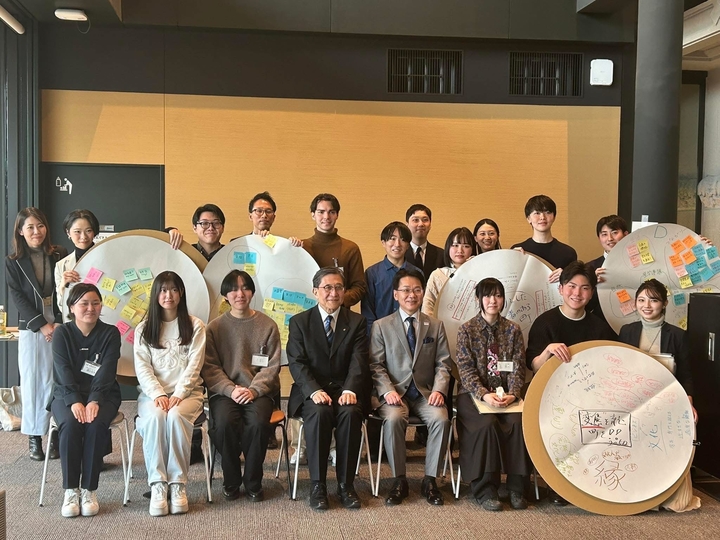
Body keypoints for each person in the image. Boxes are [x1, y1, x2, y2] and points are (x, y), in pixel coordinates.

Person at [525, 261, 615, 506]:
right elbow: (533, 366)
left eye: (585, 288)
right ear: (561, 288)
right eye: (572, 286)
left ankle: (594, 481)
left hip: (588, 395)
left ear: (592, 293)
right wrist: (547, 351)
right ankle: (558, 485)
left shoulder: (599, 327)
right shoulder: (545, 322)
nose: (577, 293)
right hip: (550, 393)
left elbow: (606, 368)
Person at [286, 267, 369, 511]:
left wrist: (350, 389)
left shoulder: (357, 322)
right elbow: (297, 362)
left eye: (339, 287)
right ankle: (318, 485)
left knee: (351, 414)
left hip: (345, 390)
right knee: (319, 413)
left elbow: (359, 361)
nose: (333, 293)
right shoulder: (300, 322)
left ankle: (346, 485)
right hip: (312, 390)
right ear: (315, 291)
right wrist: (314, 390)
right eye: (327, 287)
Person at [369, 268, 451, 506]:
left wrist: (439, 390)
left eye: (416, 290)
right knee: (394, 419)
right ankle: (399, 480)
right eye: (405, 290)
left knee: (441, 419)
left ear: (423, 293)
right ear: (396, 294)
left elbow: (443, 363)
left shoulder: (435, 325)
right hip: (394, 394)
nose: (411, 295)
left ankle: (430, 480)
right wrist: (387, 390)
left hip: (425, 393)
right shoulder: (381, 326)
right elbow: (375, 365)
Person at [618, 279, 700, 512]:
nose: (646, 305)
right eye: (641, 300)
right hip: (632, 401)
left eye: (653, 300)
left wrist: (688, 404)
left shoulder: (678, 335)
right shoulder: (627, 331)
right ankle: (638, 494)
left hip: (666, 400)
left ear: (664, 303)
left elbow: (686, 374)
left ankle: (662, 494)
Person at [202, 270, 281, 502]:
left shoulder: (268, 325)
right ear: (225, 295)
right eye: (234, 289)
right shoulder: (214, 328)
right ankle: (231, 480)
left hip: (259, 392)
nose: (240, 294)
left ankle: (253, 482)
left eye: (245, 287)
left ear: (252, 292)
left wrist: (253, 390)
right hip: (225, 392)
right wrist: (231, 389)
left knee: (257, 424)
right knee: (224, 423)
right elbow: (210, 368)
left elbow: (272, 367)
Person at [134, 271, 206, 516]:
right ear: (156, 294)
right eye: (163, 290)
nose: (168, 295)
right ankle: (157, 483)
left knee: (175, 417)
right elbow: (142, 368)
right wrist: (158, 394)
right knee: (156, 418)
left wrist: (180, 393)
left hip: (188, 394)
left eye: (174, 289)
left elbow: (195, 365)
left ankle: (177, 484)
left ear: (181, 293)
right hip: (153, 395)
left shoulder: (195, 326)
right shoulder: (144, 328)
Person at [455, 278, 530, 511]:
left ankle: (517, 487)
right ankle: (485, 489)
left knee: (518, 422)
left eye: (498, 295)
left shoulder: (513, 329)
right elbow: (465, 370)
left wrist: (513, 394)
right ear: (479, 299)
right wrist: (484, 394)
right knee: (486, 425)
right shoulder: (467, 330)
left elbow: (518, 367)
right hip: (473, 394)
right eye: (487, 295)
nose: (492, 301)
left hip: (506, 395)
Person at [50, 283, 121, 517]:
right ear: (72, 307)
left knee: (96, 424)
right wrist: (74, 400)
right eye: (84, 304)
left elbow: (107, 370)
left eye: (95, 303)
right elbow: (62, 370)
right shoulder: (62, 333)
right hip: (66, 394)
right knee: (70, 424)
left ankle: (89, 490)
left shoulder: (110, 333)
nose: (90, 308)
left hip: (103, 394)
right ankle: (71, 490)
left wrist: (94, 400)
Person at [6, 207, 67, 461]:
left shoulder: (59, 253)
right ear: (20, 231)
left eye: (40, 226)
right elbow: (18, 297)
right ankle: (34, 437)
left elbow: (68, 287)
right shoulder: (13, 261)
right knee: (32, 380)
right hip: (32, 325)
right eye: (30, 227)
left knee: (57, 379)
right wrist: (42, 325)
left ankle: (55, 434)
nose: (36, 231)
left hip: (60, 321)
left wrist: (57, 322)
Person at [302, 193, 367, 308]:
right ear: (313, 215)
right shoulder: (302, 247)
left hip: (341, 313)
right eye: (321, 212)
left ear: (337, 215)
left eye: (331, 212)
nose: (326, 217)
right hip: (308, 311)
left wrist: (336, 299)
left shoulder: (350, 248)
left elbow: (359, 287)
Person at [361, 222, 422, 335]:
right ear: (383, 243)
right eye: (392, 239)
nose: (397, 244)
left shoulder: (417, 273)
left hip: (410, 333)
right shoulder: (372, 273)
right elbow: (367, 311)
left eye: (402, 239)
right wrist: (373, 336)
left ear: (408, 245)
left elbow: (421, 307)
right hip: (380, 334)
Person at [511, 195, 577, 283]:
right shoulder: (519, 250)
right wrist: (512, 257)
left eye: (548, 212)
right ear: (528, 219)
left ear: (554, 217)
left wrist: (566, 276)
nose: (542, 217)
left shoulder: (568, 253)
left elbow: (575, 284)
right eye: (537, 213)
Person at [55, 209, 100, 319]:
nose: (83, 237)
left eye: (88, 230)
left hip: (107, 319)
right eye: (77, 232)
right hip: (76, 322)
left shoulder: (107, 257)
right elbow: (61, 307)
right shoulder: (62, 265)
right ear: (68, 233)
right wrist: (63, 286)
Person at [585, 215, 630, 325]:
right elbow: (585, 306)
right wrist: (592, 284)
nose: (610, 238)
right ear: (599, 238)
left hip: (634, 324)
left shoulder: (637, 263)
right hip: (601, 325)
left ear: (626, 235)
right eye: (604, 234)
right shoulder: (590, 268)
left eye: (614, 233)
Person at [422, 227, 475, 318]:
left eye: (466, 246)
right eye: (455, 245)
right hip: (441, 324)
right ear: (448, 247)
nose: (460, 250)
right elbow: (428, 308)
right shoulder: (438, 275)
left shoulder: (480, 273)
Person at [403, 204, 445, 278]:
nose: (421, 224)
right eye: (415, 220)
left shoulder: (442, 255)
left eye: (425, 220)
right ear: (407, 225)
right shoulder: (400, 253)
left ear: (430, 224)